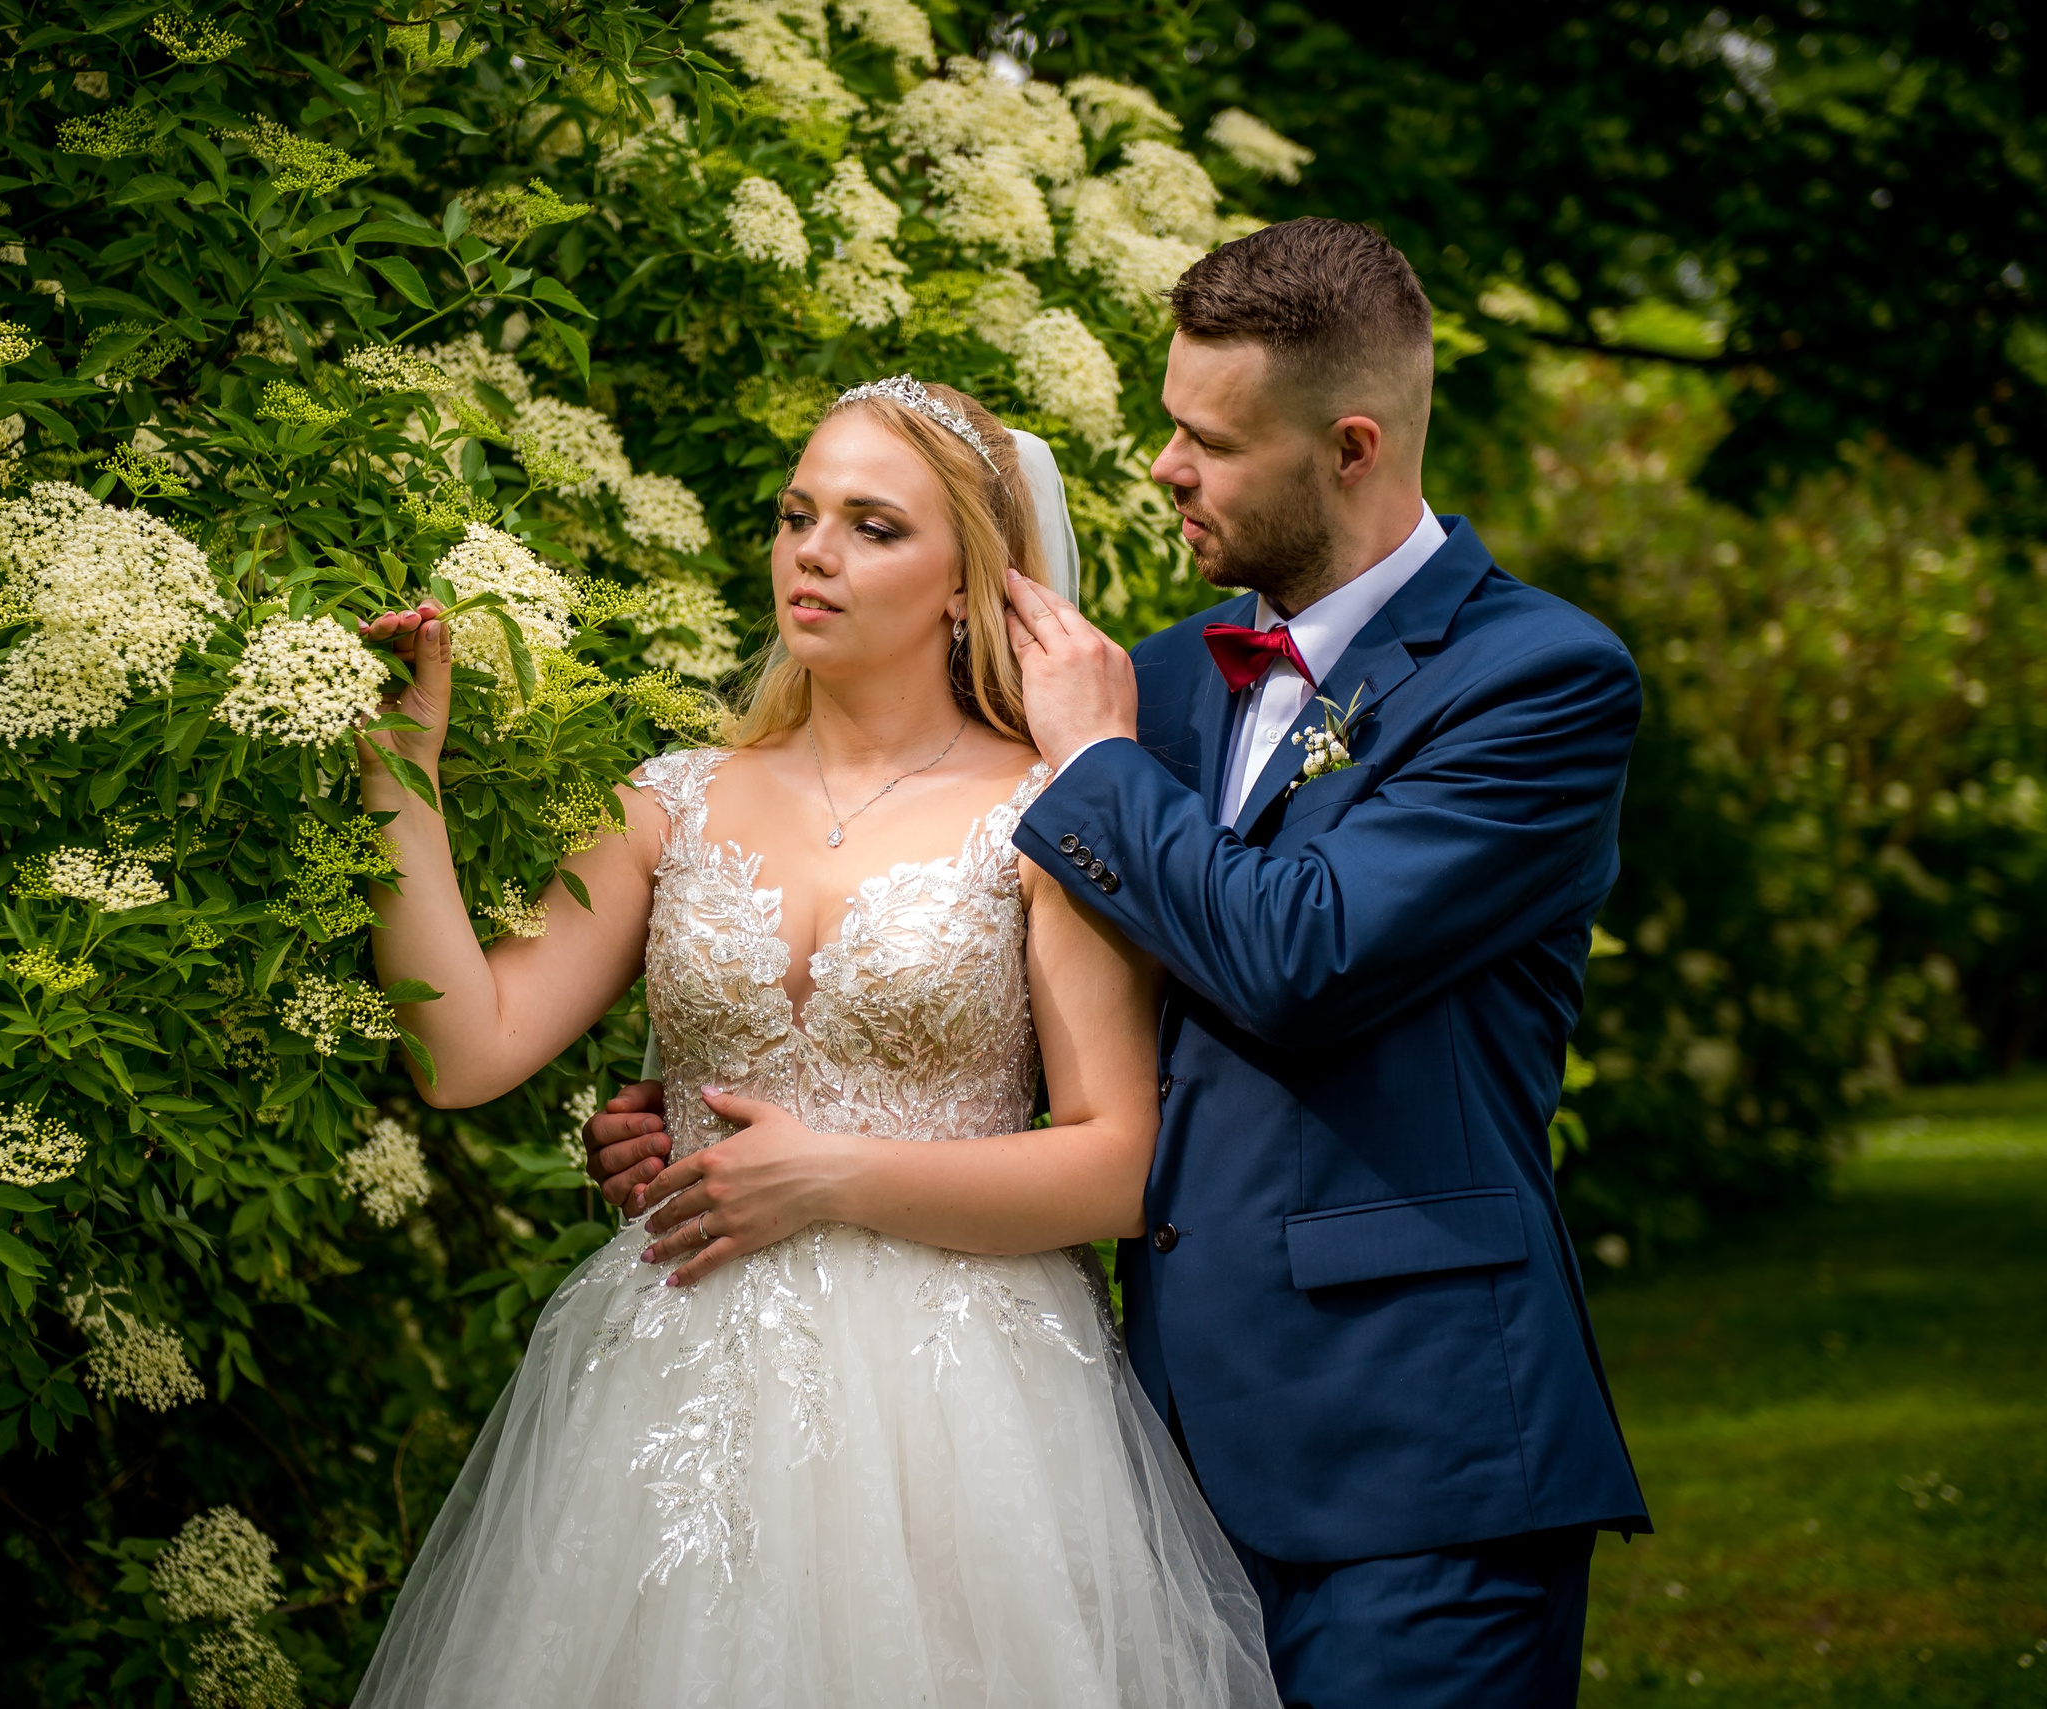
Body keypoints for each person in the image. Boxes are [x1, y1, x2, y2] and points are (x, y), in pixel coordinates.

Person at [590, 218, 1652, 1706]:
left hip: (1417, 1462)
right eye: (1168, 422)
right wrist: (714, 1101)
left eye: (1210, 441)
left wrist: (1090, 752)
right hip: (1139, 1448)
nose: (1164, 467)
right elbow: (983, 971)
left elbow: (1301, 955)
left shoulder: (1538, 681)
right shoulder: (1151, 678)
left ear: (1352, 447)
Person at [347, 376, 1277, 1707]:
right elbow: (466, 1049)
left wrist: (831, 1175)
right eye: (797, 515)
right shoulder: (669, 798)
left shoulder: (1048, 815)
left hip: (965, 1409)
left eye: (872, 525)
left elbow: (1121, 1161)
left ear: (969, 581)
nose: (814, 553)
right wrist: (400, 776)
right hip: (676, 1383)